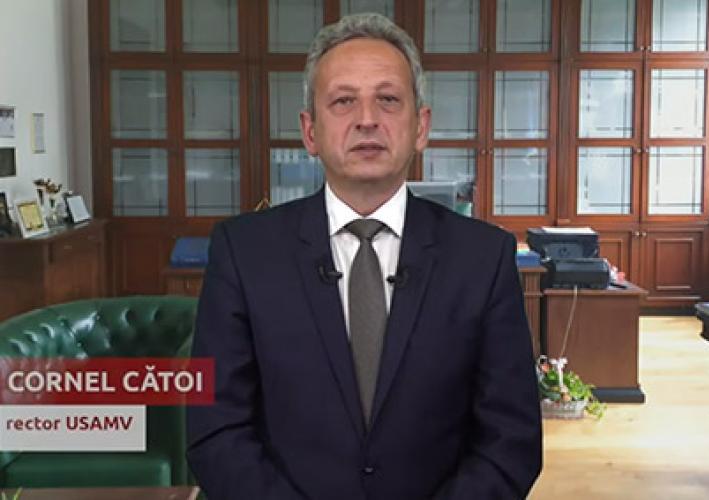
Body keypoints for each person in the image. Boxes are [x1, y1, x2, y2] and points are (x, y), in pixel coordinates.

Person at [187, 13, 542, 500]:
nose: (367, 119)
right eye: (343, 101)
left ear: (421, 126)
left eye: (388, 99)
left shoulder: (484, 258)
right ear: (310, 132)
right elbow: (215, 429)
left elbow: (511, 439)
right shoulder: (242, 253)